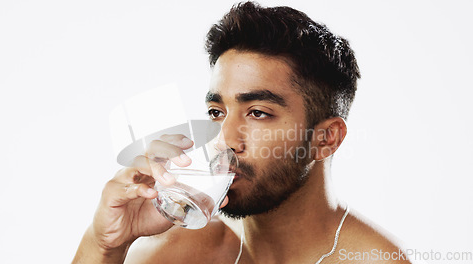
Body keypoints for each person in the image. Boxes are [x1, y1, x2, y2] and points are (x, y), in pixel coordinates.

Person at [73, 2, 411, 263]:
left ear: (326, 139)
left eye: (258, 113)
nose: (225, 139)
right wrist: (105, 245)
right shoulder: (183, 248)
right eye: (217, 113)